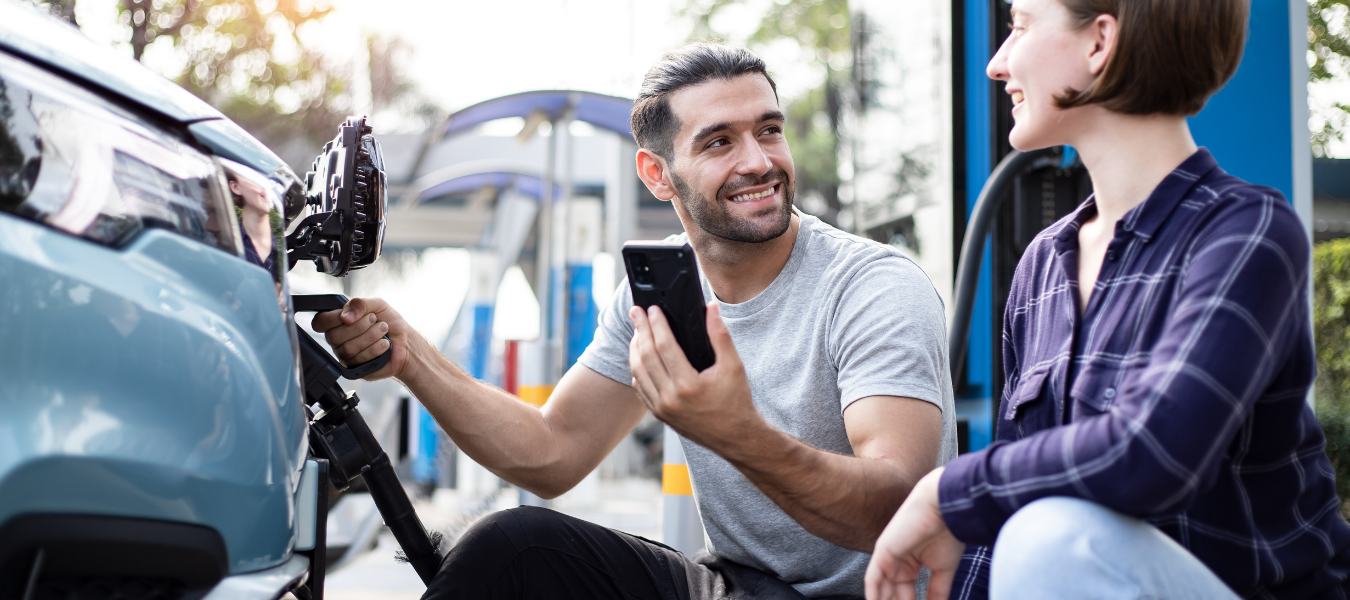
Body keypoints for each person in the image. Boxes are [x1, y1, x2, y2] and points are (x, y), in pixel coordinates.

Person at [314, 43, 957, 600]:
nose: (759, 161)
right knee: (510, 548)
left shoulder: (873, 287)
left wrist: (735, 433)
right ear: (658, 174)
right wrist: (411, 355)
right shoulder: (652, 297)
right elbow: (552, 451)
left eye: (768, 130)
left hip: (874, 592)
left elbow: (893, 507)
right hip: (739, 586)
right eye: (719, 142)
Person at [864, 1, 1350, 599]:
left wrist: (947, 492)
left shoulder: (1246, 232)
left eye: (1018, 27)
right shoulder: (1042, 265)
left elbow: (1152, 451)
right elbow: (1007, 511)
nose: (996, 63)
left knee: (1049, 537)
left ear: (1099, 43)